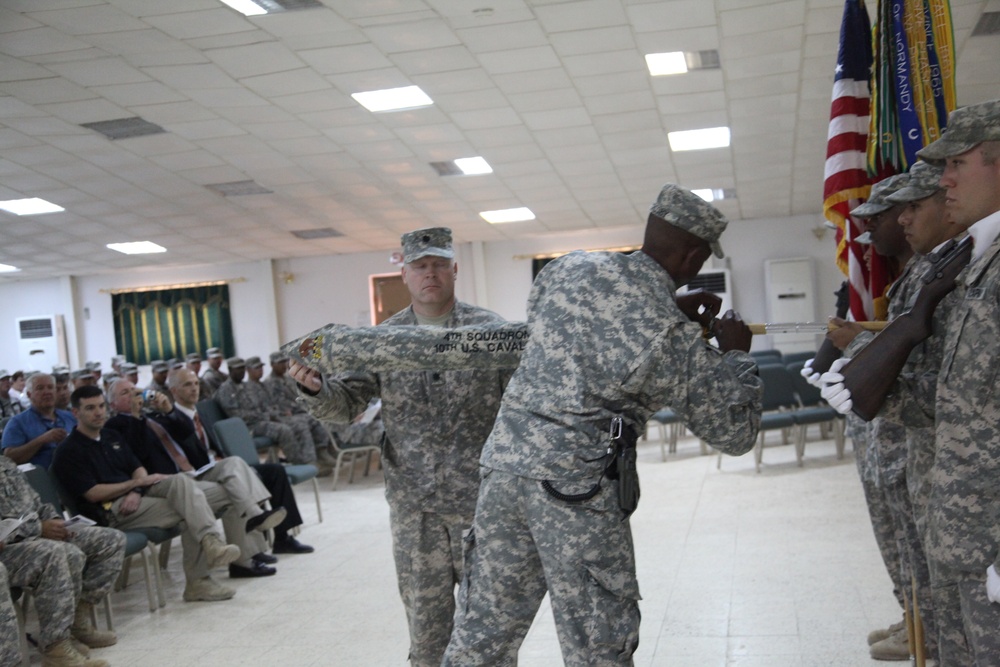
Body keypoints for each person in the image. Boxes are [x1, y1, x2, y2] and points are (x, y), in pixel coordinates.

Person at [431, 185, 762, 664]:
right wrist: (732, 355)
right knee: (597, 645)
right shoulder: (671, 336)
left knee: (481, 635)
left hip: (503, 474)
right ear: (693, 256)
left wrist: (669, 309)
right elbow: (735, 432)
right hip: (574, 491)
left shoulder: (566, 267)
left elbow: (564, 330)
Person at [822, 99, 1000, 666]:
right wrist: (863, 375)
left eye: (958, 165)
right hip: (957, 524)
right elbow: (951, 398)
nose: (944, 180)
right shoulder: (972, 264)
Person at [290, 226, 514, 667]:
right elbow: (348, 402)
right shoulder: (383, 341)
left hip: (483, 504)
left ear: (454, 269)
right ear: (406, 276)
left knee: (490, 631)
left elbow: (520, 405)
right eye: (419, 266)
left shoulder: (489, 332)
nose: (429, 273)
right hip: (417, 511)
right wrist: (316, 390)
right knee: (428, 635)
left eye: (437, 264)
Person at [52, 386, 243, 603]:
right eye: (90, 408)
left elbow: (137, 467)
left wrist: (136, 488)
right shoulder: (68, 451)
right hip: (112, 511)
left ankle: (211, 544)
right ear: (75, 413)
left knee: (181, 483)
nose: (98, 412)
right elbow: (93, 494)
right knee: (190, 508)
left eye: (101, 406)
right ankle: (199, 580)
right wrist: (136, 484)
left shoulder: (110, 435)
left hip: (137, 498)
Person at [103, 378, 286, 578]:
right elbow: (139, 452)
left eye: (134, 390)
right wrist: (136, 417)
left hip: (191, 470)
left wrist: (169, 410)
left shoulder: (151, 415)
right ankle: (244, 558)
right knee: (232, 493)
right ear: (113, 404)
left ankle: (254, 514)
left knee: (234, 463)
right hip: (166, 482)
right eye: (125, 393)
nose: (133, 395)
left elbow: (186, 432)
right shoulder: (115, 427)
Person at [153, 368, 313, 556]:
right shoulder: (169, 419)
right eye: (187, 384)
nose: (194, 389)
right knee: (241, 478)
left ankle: (283, 538)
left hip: (220, 465)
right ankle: (254, 549)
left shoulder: (198, 412)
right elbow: (190, 448)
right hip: (201, 473)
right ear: (173, 391)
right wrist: (171, 411)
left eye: (196, 383)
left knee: (275, 471)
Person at [1, 449, 126, 666]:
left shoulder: (6, 464)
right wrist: (38, 528)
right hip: (9, 549)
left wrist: (56, 521)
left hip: (34, 536)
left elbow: (37, 504)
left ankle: (74, 623)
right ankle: (56, 647)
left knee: (111, 540)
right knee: (58, 554)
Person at [216, 357, 332, 475]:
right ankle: (302, 463)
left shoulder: (247, 386)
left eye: (242, 368)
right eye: (238, 369)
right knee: (284, 430)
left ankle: (319, 455)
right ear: (230, 370)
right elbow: (236, 415)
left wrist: (274, 414)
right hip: (248, 426)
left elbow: (263, 406)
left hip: (262, 420)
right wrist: (266, 416)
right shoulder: (226, 389)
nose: (241, 371)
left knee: (302, 420)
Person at [1, 372, 77, 468]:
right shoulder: (18, 422)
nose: (47, 392)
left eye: (50, 387)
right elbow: (9, 458)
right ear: (29, 394)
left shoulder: (70, 417)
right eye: (40, 388)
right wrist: (41, 440)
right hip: (41, 478)